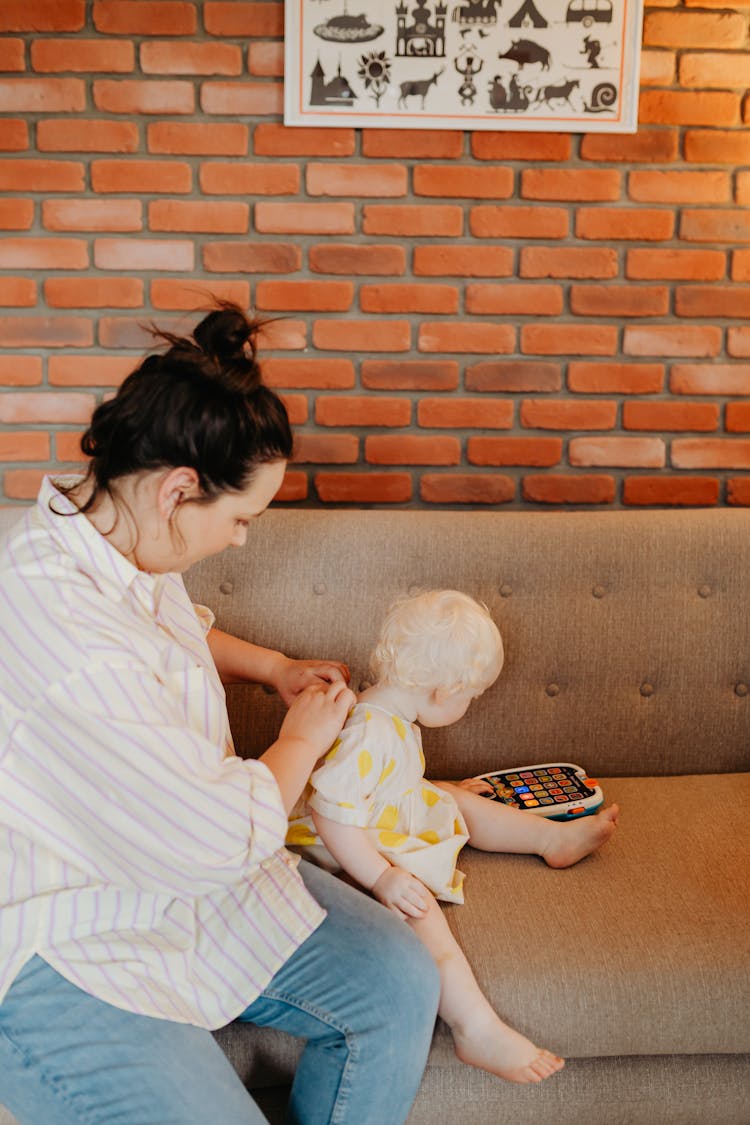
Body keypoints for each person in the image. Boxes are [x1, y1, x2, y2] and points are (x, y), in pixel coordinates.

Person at [0, 303, 440, 1125]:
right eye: (240, 519)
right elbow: (213, 837)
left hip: (180, 889)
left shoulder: (103, 535)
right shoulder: (66, 635)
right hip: (65, 932)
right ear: (178, 489)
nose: (240, 541)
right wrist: (301, 741)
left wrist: (271, 666)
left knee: (399, 978)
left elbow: (169, 629)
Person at [288, 589, 619, 1085]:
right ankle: (474, 1026)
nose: (468, 706)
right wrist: (382, 878)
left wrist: (426, 792)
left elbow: (377, 782)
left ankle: (551, 839)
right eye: (470, 697)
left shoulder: (391, 714)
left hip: (375, 818)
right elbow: (331, 814)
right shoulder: (371, 730)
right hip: (339, 848)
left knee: (452, 796)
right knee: (419, 908)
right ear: (443, 692)